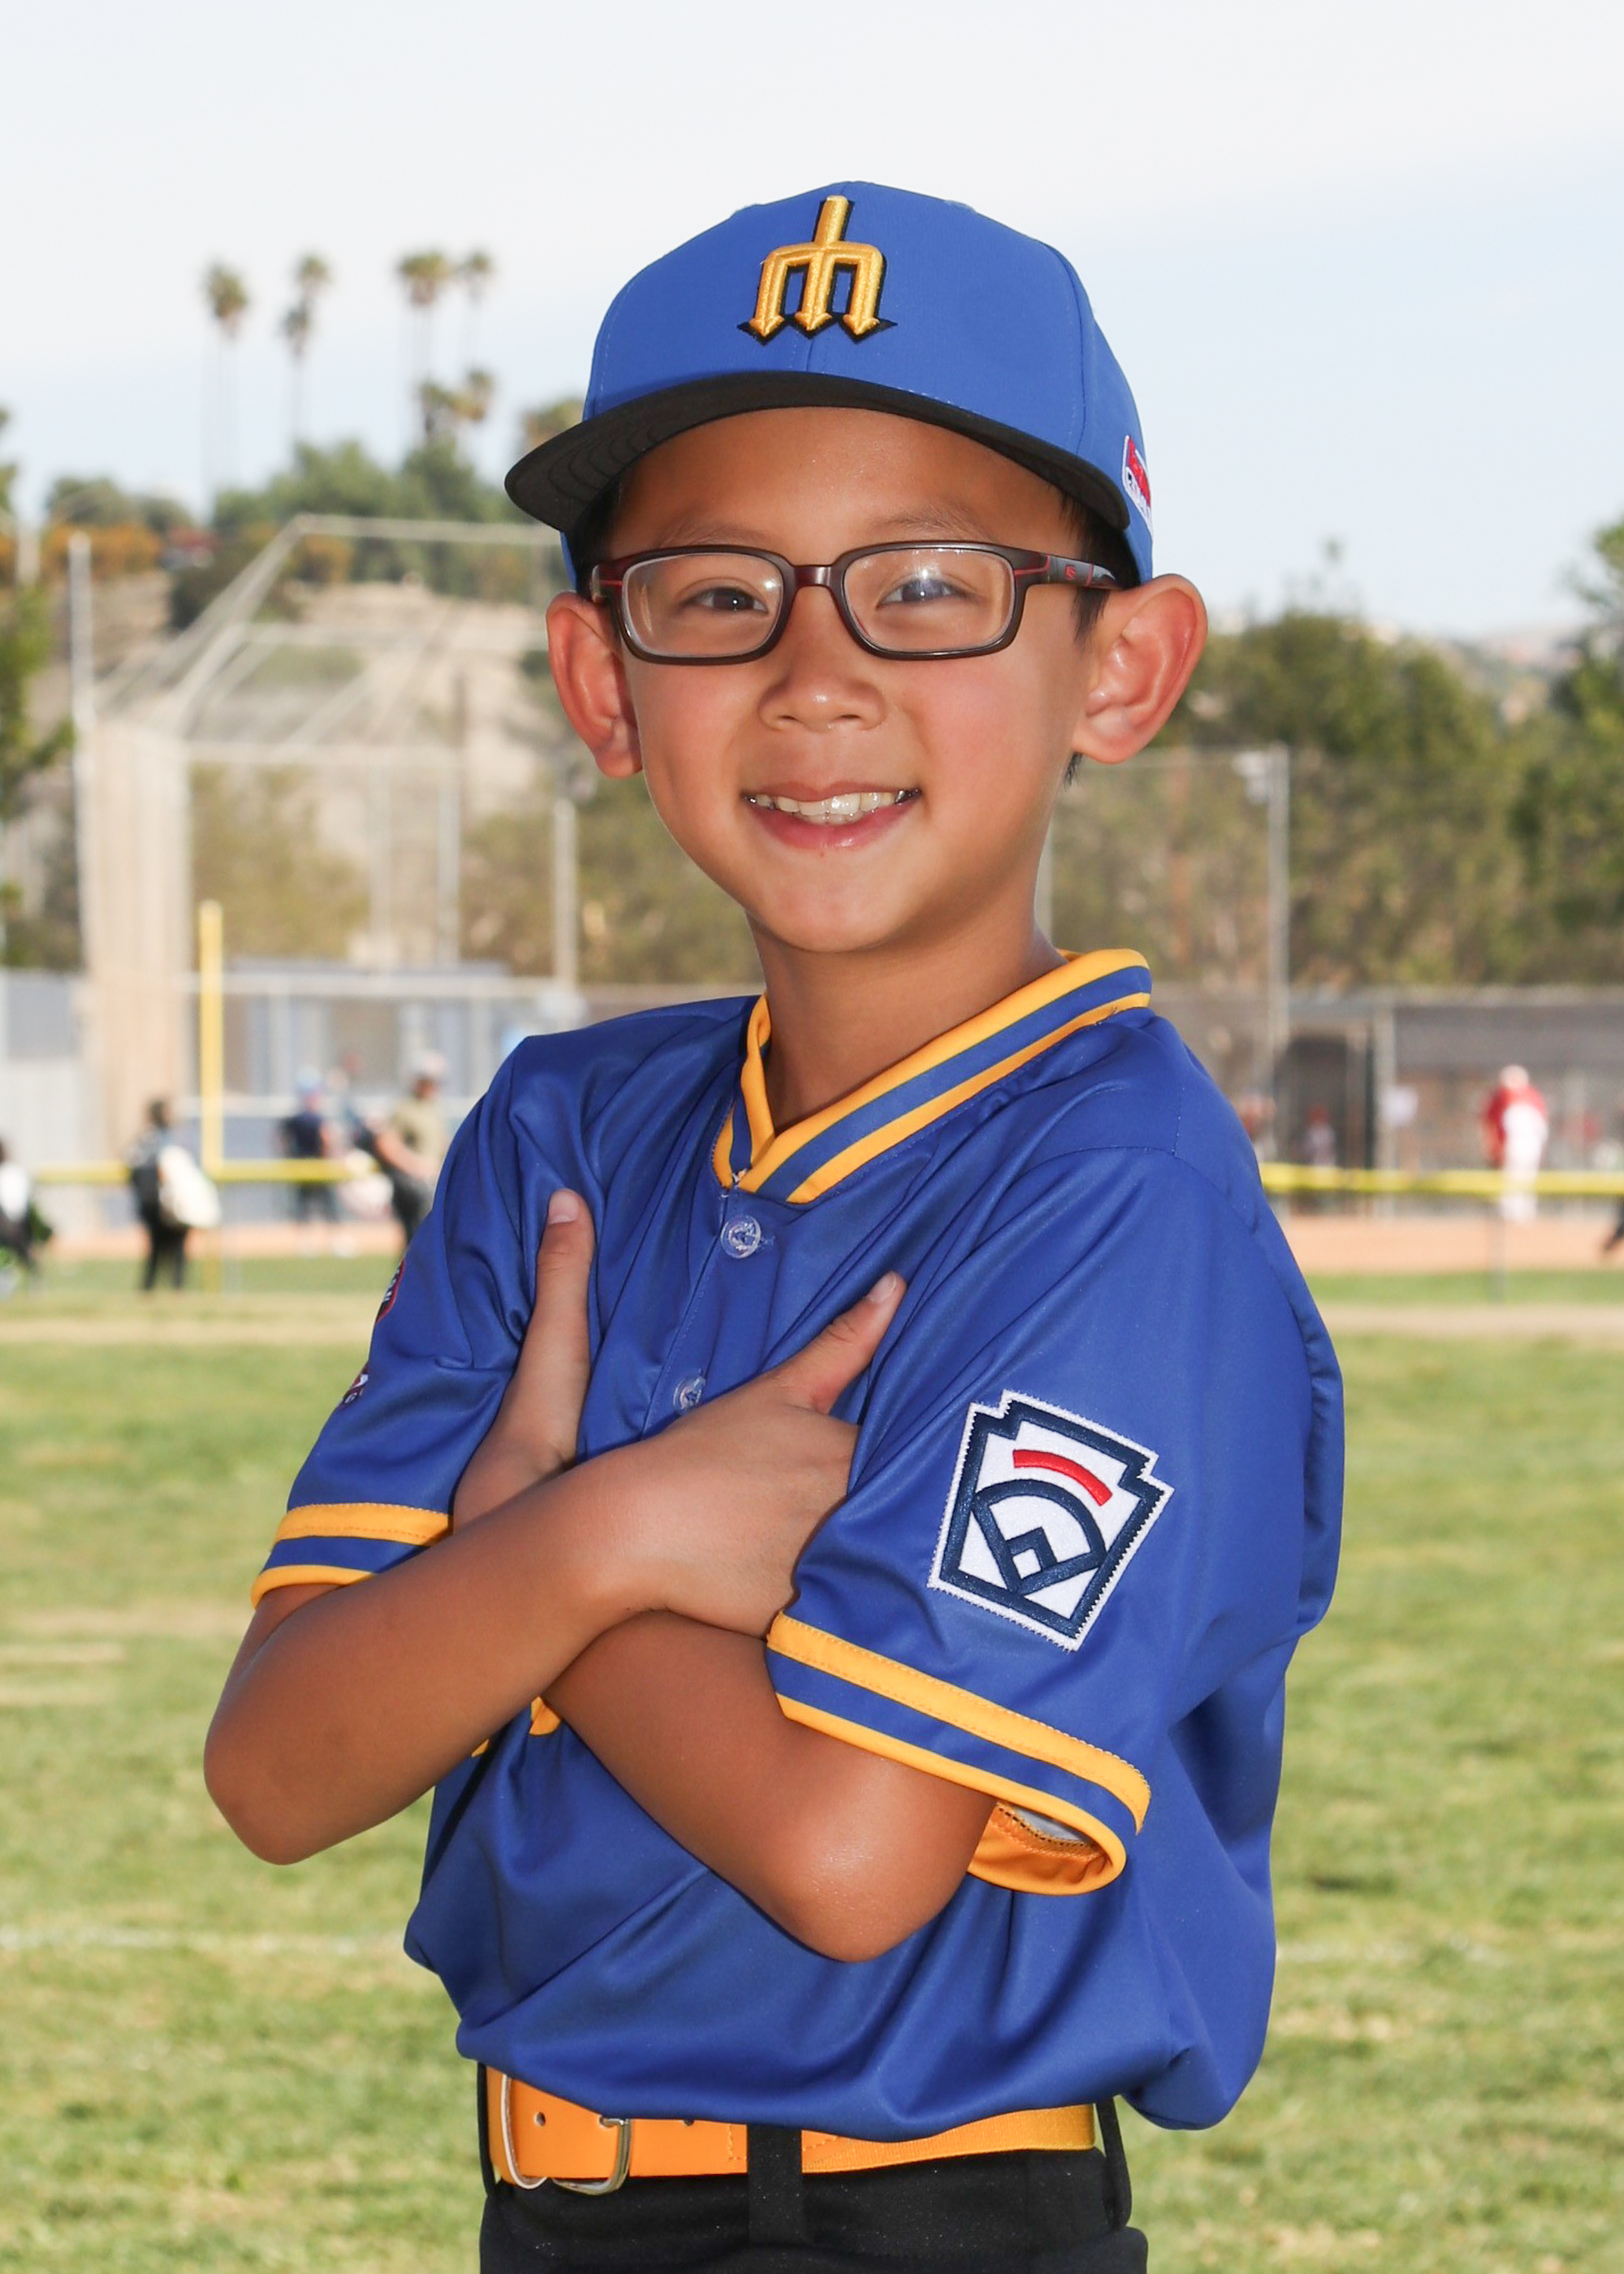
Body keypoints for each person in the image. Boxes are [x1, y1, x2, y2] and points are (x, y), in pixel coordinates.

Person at [207, 184, 1343, 2272]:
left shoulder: (1112, 1178)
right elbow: (280, 1762)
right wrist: (610, 1539)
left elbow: (845, 1852)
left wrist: (540, 1549)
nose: (815, 678)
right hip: (550, 2209)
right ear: (601, 678)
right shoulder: (564, 1127)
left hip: (925, 2221)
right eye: (716, 595)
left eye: (925, 587)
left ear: (1121, 665)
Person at [367, 1052, 449, 1249]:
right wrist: (417, 1167)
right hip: (416, 1187)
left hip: (433, 1184)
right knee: (419, 1244)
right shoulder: (406, 1109)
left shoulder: (432, 1109)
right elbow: (386, 1144)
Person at [126, 1099, 191, 1291]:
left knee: (170, 1247)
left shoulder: (153, 1138)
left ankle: (164, 1288)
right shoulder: (155, 1139)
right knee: (163, 1247)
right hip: (158, 1202)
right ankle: (163, 1288)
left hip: (158, 1202)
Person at [1480, 1062, 1548, 1223]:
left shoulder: (1529, 1097)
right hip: (1518, 1144)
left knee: (1522, 1178)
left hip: (1523, 1144)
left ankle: (1521, 1213)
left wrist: (1494, 1145)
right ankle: (1514, 1213)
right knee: (1514, 1177)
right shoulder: (1503, 1097)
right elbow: (1491, 1123)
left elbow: (1540, 1126)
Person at [278, 1071, 339, 1224]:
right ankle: (332, 1230)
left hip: (301, 1164)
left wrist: (288, 1157)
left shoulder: (295, 1118)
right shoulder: (316, 1119)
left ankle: (304, 1232)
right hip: (318, 1165)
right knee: (326, 1202)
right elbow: (326, 1140)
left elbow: (281, 1139)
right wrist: (327, 1157)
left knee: (304, 1203)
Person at [0, 1137, 41, 1285]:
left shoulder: (9, 1172)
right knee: (24, 1253)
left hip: (8, 1223)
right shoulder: (16, 1171)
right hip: (22, 1223)